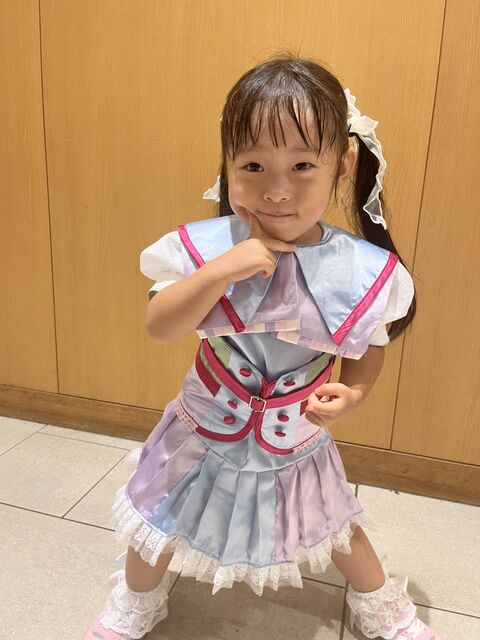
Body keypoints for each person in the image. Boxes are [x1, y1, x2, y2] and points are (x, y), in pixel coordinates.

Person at [82, 53, 442, 640]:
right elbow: (161, 326)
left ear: (343, 164)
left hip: (298, 438)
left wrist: (353, 393)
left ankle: (382, 608)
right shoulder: (201, 248)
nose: (277, 191)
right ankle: (136, 602)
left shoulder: (363, 270)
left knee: (334, 526)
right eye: (253, 165)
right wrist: (222, 269)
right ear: (227, 164)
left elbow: (369, 345)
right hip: (200, 431)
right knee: (159, 522)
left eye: (302, 165)